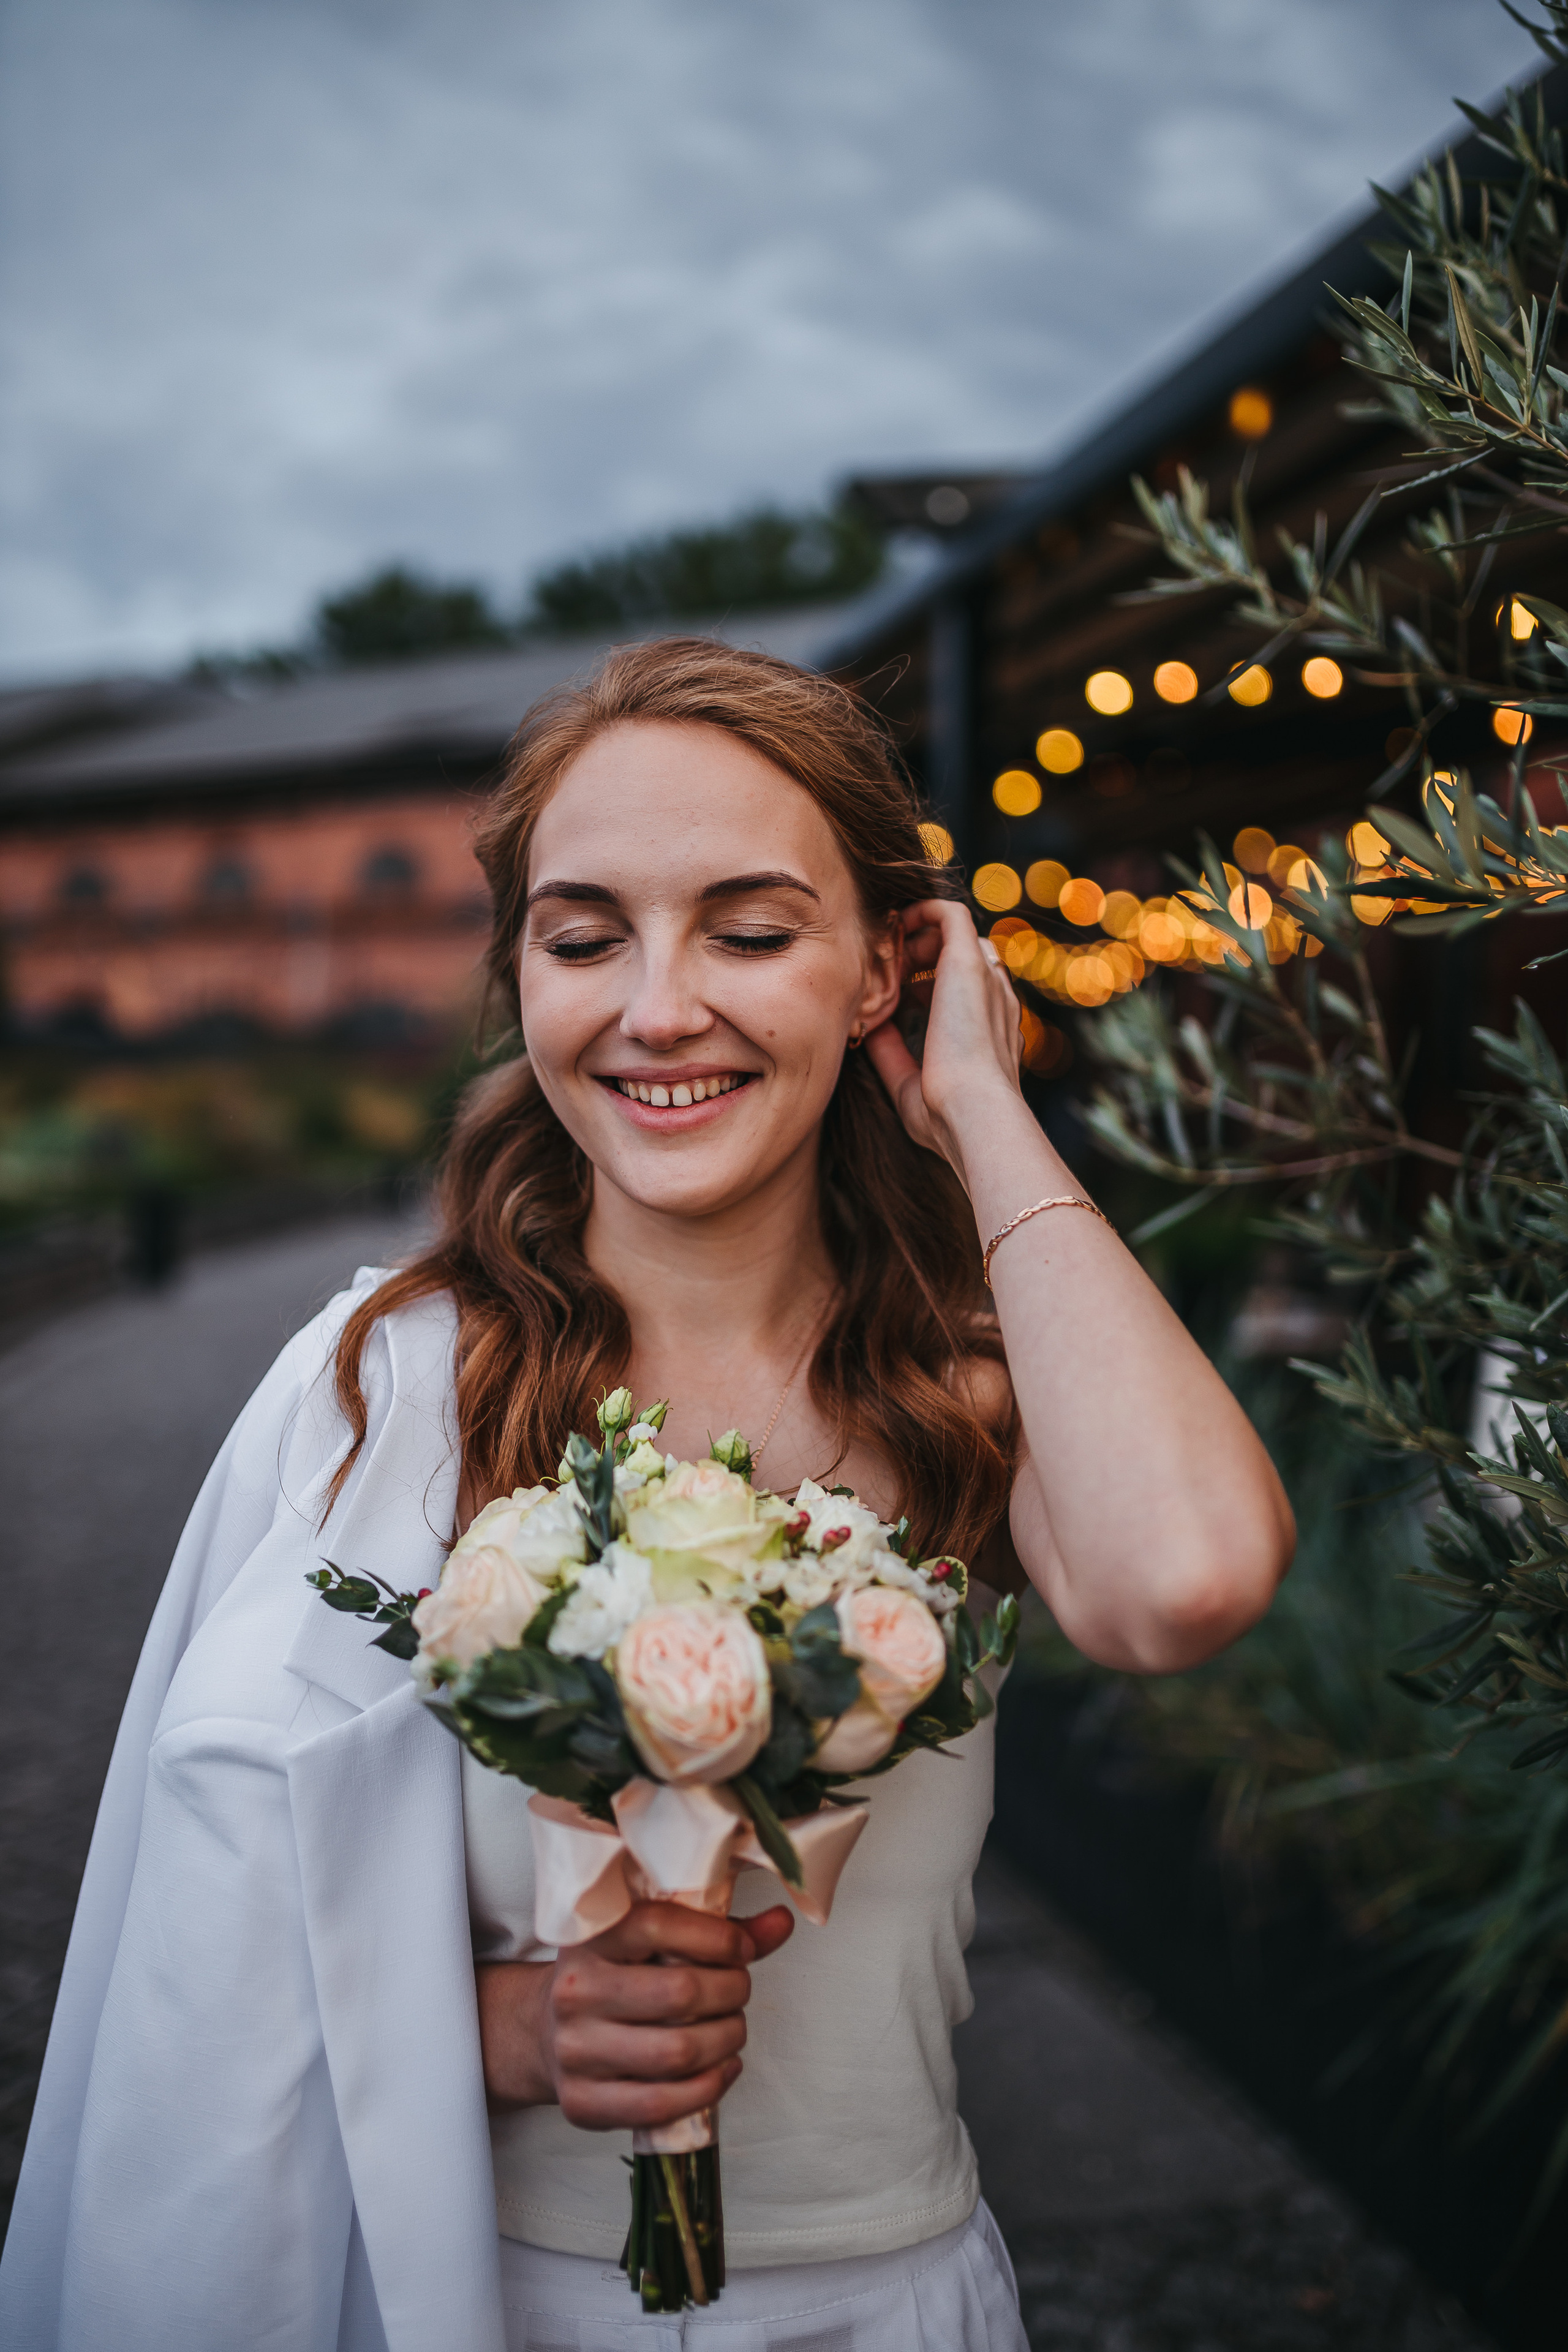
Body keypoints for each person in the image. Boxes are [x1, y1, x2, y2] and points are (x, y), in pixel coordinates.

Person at [0, 640, 1294, 2351]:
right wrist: (518, 2035)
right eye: (585, 935)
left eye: (752, 932)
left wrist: (981, 1106)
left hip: (888, 2306)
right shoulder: (384, 1391)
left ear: (879, 968)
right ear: (522, 968)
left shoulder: (971, 1383)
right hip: (480, 2300)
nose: (658, 1007)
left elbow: (1182, 1583)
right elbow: (207, 1934)